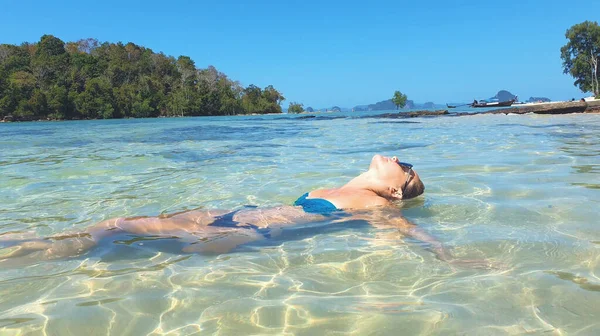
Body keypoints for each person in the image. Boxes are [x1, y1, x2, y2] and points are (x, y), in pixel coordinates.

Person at [1, 154, 466, 266]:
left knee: (121, 227)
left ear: (394, 193)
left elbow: (407, 233)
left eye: (406, 172)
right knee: (113, 225)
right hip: (233, 213)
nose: (401, 162)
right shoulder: (342, 184)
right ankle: (35, 243)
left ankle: (40, 253)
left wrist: (451, 257)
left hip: (255, 232)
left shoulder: (374, 205)